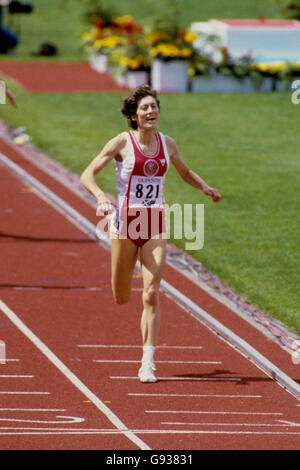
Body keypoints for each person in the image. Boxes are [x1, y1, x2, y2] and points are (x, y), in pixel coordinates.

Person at [80, 85, 221, 383]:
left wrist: (205, 187)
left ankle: (147, 362)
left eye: (154, 107)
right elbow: (87, 174)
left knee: (152, 293)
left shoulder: (167, 144)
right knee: (121, 296)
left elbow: (184, 172)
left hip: (155, 224)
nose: (151, 111)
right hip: (125, 226)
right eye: (144, 108)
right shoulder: (122, 142)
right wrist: (100, 195)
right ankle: (125, 289)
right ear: (133, 115)